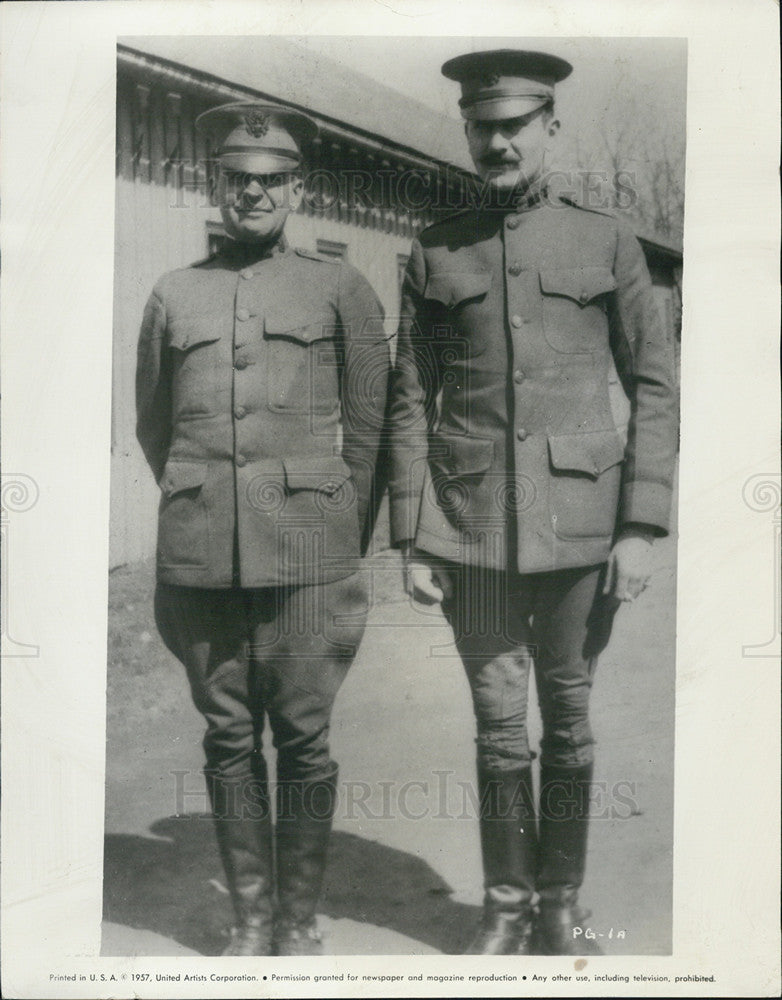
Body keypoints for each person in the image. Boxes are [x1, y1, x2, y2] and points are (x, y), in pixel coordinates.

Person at [388, 50, 678, 955]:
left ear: (551, 125)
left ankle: (561, 904)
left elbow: (656, 387)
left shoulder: (607, 241)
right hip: (470, 530)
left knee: (570, 715)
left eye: (516, 124)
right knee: (498, 722)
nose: (499, 140)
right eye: (484, 126)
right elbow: (408, 397)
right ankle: (506, 907)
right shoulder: (437, 248)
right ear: (469, 132)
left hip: (583, 532)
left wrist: (640, 524)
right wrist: (413, 534)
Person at [135, 102, 390, 956]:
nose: (252, 193)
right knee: (228, 733)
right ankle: (249, 918)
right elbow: (153, 425)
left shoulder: (340, 288)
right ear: (216, 184)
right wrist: (209, 503)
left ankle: (297, 919)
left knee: (306, 737)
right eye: (237, 179)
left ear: (298, 186)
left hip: (312, 557)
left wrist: (333, 525)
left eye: (271, 179)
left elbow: (371, 425)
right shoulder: (175, 293)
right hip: (202, 555)